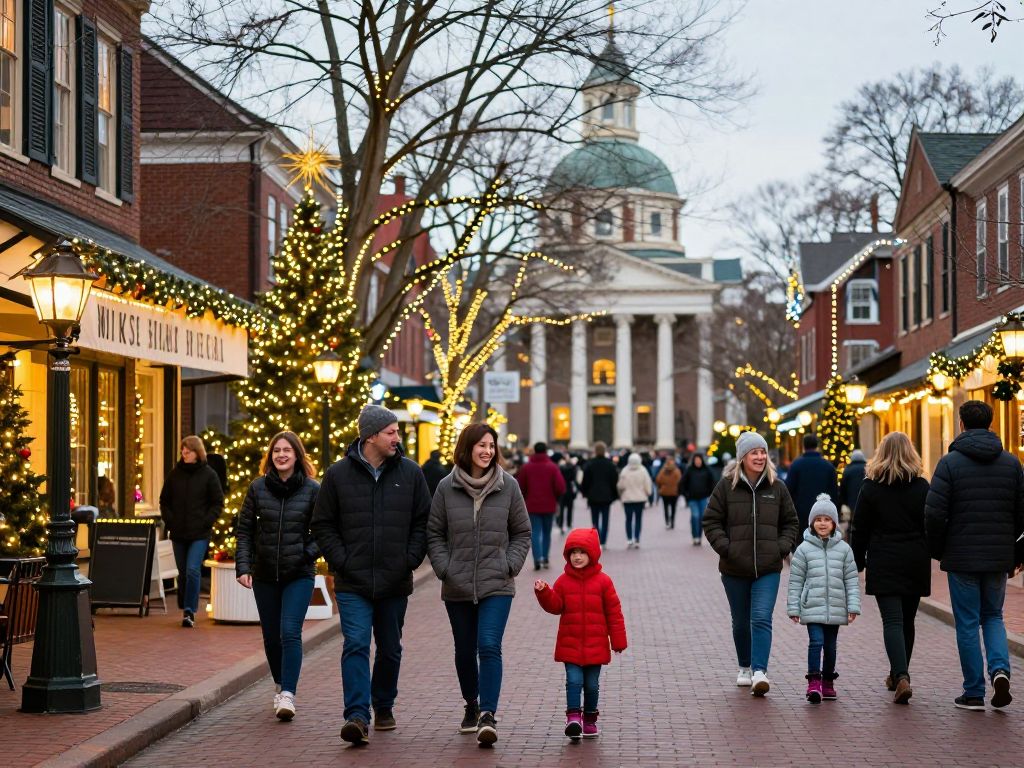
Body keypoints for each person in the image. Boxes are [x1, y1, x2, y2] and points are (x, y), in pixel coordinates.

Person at [311, 405, 430, 745]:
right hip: (353, 581)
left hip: (394, 579)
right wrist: (341, 560)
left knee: (390, 649)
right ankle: (357, 716)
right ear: (371, 436)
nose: (398, 437)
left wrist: (409, 558)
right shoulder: (337, 475)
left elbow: (423, 521)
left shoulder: (410, 473)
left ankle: (384, 704)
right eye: (391, 432)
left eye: (397, 432)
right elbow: (322, 523)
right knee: (357, 644)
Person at [426, 422, 530, 745]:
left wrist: (509, 565)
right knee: (464, 649)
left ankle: (488, 714)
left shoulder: (508, 486)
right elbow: (434, 533)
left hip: (497, 583)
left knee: (488, 645)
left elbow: (522, 532)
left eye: (491, 445)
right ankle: (471, 703)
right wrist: (445, 568)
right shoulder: (446, 487)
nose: (487, 451)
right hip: (457, 584)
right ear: (467, 448)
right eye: (481, 445)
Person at [925, 400, 1024, 711]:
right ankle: (1000, 671)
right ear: (991, 423)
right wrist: (1015, 550)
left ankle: (973, 692)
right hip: (998, 556)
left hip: (961, 556)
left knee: (967, 623)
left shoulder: (950, 463)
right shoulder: (1011, 464)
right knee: (993, 616)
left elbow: (933, 514)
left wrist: (939, 549)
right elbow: (1021, 513)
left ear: (961, 424)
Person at [703, 431, 799, 696]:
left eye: (762, 452)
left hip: (768, 568)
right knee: (740, 622)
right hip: (734, 568)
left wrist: (780, 548)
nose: (759, 456)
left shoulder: (777, 487)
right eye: (754, 452)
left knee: (761, 617)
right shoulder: (726, 487)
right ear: (742, 457)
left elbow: (791, 521)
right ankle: (744, 666)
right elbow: (711, 521)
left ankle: (759, 671)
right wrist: (726, 548)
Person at [235, 431, 321, 721]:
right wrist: (243, 566)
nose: (281, 455)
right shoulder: (258, 488)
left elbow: (323, 531)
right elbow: (244, 530)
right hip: (264, 575)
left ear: (297, 455)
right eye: (276, 451)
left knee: (289, 632)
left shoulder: (312, 489)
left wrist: (305, 554)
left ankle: (288, 694)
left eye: (287, 450)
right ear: (270, 457)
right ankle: (280, 683)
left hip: (299, 574)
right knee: (271, 637)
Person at [850, 431, 930, 705]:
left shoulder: (871, 487)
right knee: (908, 620)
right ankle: (899, 675)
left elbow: (859, 528)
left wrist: (857, 562)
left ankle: (901, 675)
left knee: (893, 621)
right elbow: (930, 523)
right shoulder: (922, 486)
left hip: (884, 558)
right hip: (915, 559)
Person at [535, 528, 627, 741]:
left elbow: (614, 612)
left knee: (592, 685)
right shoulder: (563, 581)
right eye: (573, 552)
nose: (577, 556)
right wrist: (544, 593)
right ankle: (573, 718)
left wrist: (618, 640)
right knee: (574, 681)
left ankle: (589, 720)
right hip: (571, 644)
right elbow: (555, 606)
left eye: (582, 552)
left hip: (596, 645)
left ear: (593, 554)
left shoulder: (604, 582)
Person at [787, 494, 861, 703]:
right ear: (812, 522)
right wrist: (794, 607)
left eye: (827, 519)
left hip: (836, 606)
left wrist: (853, 605)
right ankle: (813, 682)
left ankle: (828, 681)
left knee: (830, 646)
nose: (822, 523)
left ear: (834, 523)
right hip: (812, 606)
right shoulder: (803, 549)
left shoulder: (845, 550)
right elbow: (796, 581)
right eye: (818, 519)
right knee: (816, 641)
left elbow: (851, 580)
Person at [159, 435, 224, 629]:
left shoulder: (209, 475)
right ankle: (185, 603)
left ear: (197, 453)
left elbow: (217, 502)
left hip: (199, 533)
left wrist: (206, 522)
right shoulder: (174, 474)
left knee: (193, 570)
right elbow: (165, 500)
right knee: (183, 573)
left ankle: (189, 610)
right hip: (178, 532)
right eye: (183, 452)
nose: (184, 454)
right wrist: (170, 520)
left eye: (187, 451)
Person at [515, 442, 565, 570]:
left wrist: (526, 497)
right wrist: (555, 497)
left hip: (532, 506)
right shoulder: (552, 467)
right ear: (546, 451)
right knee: (547, 532)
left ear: (534, 452)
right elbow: (560, 487)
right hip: (549, 505)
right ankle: (545, 557)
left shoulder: (526, 467)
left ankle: (537, 558)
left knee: (535, 532)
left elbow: (520, 487)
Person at [785, 433, 839, 539]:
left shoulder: (796, 465)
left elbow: (788, 490)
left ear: (803, 446)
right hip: (824, 514)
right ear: (817, 446)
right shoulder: (828, 466)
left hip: (800, 512)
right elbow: (834, 492)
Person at [580, 442, 619, 546]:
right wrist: (615, 495)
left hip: (593, 497)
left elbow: (585, 481)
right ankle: (603, 541)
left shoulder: (590, 464)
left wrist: (584, 493)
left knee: (595, 520)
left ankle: (596, 540)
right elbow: (614, 481)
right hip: (607, 496)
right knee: (605, 520)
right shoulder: (610, 465)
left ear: (595, 451)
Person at [617, 453, 652, 549]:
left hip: (627, 499)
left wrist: (621, 494)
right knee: (638, 519)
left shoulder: (625, 471)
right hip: (639, 499)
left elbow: (620, 486)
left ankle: (629, 539)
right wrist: (648, 493)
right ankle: (637, 538)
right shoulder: (643, 470)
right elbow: (647, 484)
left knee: (628, 519)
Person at [681, 453, 716, 546]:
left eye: (699, 460)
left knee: (701, 518)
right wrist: (686, 495)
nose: (698, 461)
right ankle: (694, 536)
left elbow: (712, 482)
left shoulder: (707, 470)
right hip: (692, 498)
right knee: (695, 516)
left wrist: (709, 493)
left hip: (703, 498)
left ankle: (699, 537)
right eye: (696, 460)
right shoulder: (689, 470)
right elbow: (682, 483)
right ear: (694, 461)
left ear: (701, 460)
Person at [840, 449, 867, 533]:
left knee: (853, 522)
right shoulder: (868, 468)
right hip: (866, 499)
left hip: (852, 502)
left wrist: (844, 502)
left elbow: (843, 488)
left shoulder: (848, 470)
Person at [655, 456, 682, 531]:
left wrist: (662, 486)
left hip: (665, 492)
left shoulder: (663, 470)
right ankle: (672, 522)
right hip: (674, 492)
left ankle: (667, 522)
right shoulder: (677, 471)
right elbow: (680, 481)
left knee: (665, 507)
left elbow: (658, 480)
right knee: (673, 508)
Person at [556, 454, 578, 534]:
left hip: (562, 489)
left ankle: (561, 525)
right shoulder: (573, 467)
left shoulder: (560, 468)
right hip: (570, 489)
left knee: (561, 509)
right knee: (570, 508)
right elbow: (575, 479)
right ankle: (569, 524)